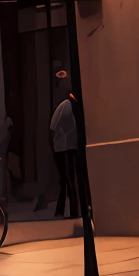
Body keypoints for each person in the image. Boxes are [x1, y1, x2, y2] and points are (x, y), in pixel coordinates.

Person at [50, 90, 83, 219]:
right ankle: (72, 210)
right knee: (69, 179)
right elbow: (53, 127)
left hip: (65, 147)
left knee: (66, 180)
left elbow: (53, 127)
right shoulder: (68, 105)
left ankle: (64, 211)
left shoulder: (67, 105)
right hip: (66, 147)